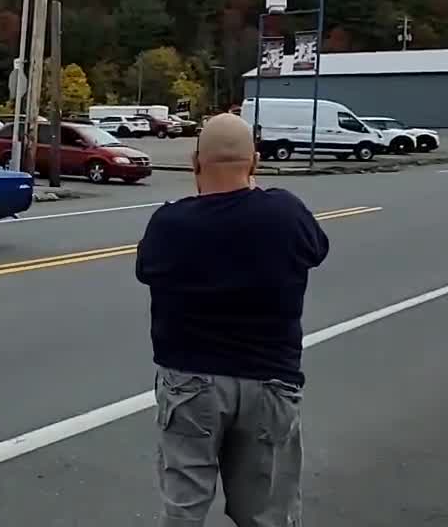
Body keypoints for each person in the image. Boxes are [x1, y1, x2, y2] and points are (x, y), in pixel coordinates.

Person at [135, 114, 330, 527]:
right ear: (254, 163)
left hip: (191, 384)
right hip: (271, 381)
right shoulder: (285, 213)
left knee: (184, 510)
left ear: (195, 162)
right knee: (266, 514)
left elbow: (147, 270)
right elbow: (316, 250)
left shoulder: (169, 224)